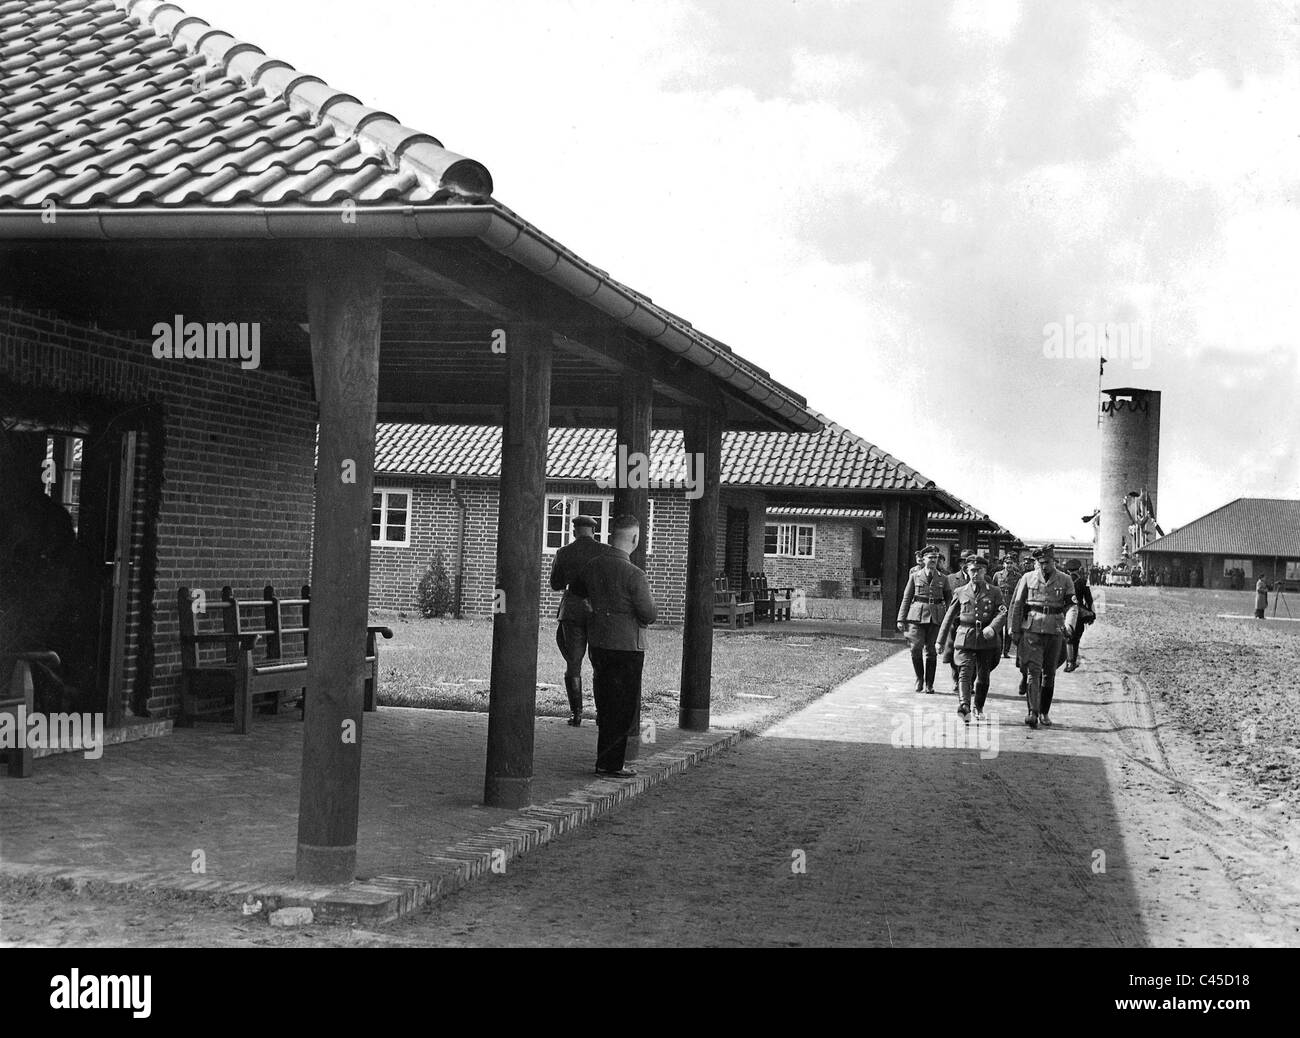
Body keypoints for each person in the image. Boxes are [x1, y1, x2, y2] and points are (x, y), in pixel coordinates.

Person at [570, 514, 657, 776]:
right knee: (624, 707)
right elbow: (648, 614)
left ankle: (603, 760)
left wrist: (594, 606)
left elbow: (575, 590)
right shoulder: (635, 574)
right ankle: (611, 765)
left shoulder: (592, 566)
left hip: (599, 643)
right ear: (634, 538)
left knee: (605, 703)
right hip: (628, 646)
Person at [547, 514, 611, 726]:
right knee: (600, 663)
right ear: (594, 531)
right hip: (597, 611)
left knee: (573, 663)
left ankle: (577, 714)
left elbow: (555, 584)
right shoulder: (605, 552)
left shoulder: (564, 553)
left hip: (572, 610)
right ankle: (603, 713)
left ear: (574, 531)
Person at [1007, 544, 1078, 729]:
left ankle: (1045, 712)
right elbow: (1017, 604)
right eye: (1041, 563)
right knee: (1033, 671)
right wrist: (1014, 631)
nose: (1044, 566)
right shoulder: (1027, 578)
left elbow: (1072, 605)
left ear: (1054, 561)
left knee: (1049, 674)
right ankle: (1033, 712)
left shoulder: (1065, 579)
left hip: (1055, 630)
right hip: (1032, 629)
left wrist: (1069, 624)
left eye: (1047, 562)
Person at [936, 555, 1006, 723]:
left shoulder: (995, 591)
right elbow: (949, 616)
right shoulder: (960, 592)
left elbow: (1002, 612)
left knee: (983, 675)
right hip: (965, 636)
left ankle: (978, 707)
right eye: (972, 570)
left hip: (986, 638)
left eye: (979, 570)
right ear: (967, 571)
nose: (976, 574)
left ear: (985, 571)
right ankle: (964, 705)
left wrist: (993, 627)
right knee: (964, 672)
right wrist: (940, 640)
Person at [896, 544, 952, 694]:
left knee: (932, 651)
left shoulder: (943, 578)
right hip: (916, 617)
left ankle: (929, 683)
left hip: (936, 617)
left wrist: (949, 621)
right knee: (915, 648)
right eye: (930, 557)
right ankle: (919, 678)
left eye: (936, 557)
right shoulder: (915, 576)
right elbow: (906, 598)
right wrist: (901, 619)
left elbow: (949, 601)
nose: (933, 560)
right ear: (923, 559)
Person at [1063, 558, 1094, 671]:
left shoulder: (1064, 580)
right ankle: (1072, 662)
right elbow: (1089, 598)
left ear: (1068, 570)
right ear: (1079, 569)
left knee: (1067, 637)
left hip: (1066, 611)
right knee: (1076, 638)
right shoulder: (1083, 581)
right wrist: (1091, 612)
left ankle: (1068, 662)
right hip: (1079, 612)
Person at [993, 553, 1022, 659]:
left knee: (1009, 629)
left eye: (1011, 563)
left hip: (1011, 605)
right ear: (1003, 564)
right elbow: (994, 589)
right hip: (1000, 605)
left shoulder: (1018, 576)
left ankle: (1006, 651)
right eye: (1007, 563)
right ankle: (999, 650)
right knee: (999, 628)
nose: (1009, 565)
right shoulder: (997, 575)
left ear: (1014, 564)